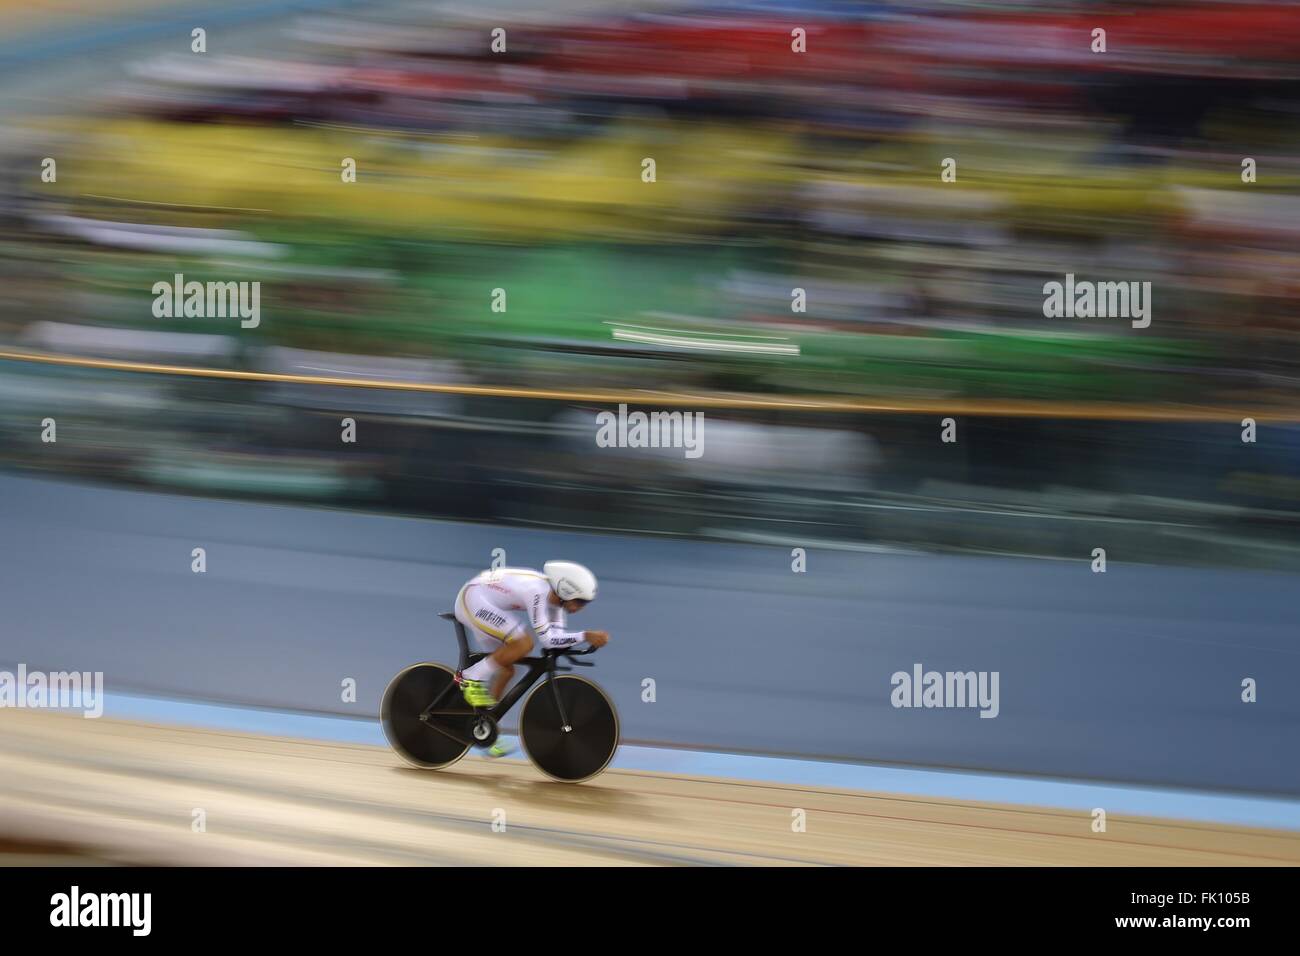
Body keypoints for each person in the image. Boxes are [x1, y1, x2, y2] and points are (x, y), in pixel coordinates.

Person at [453, 561, 609, 756]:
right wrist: (585, 636)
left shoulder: (557, 606)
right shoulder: (537, 592)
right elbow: (547, 639)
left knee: (507, 669)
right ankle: (470, 676)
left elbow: (556, 639)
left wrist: (579, 641)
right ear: (567, 592)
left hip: (487, 603)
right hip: (474, 599)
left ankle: (484, 727)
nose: (581, 608)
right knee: (524, 643)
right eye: (581, 602)